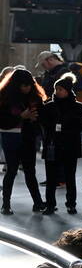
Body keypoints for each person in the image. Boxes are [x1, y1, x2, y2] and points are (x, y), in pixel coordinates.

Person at [0, 68, 47, 215]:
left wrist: (35, 119)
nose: (27, 88)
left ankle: (38, 202)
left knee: (30, 171)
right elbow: (3, 122)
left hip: (28, 137)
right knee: (12, 170)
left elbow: (41, 117)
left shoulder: (35, 98)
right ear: (16, 84)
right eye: (23, 85)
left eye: (29, 84)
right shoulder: (5, 98)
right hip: (10, 136)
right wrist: (22, 116)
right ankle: (5, 204)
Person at [40, 74, 82, 215]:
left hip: (70, 145)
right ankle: (50, 204)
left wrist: (65, 127)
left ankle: (71, 204)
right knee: (51, 177)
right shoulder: (49, 106)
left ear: (68, 90)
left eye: (61, 89)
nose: (58, 92)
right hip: (52, 144)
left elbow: (80, 125)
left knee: (70, 177)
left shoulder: (77, 107)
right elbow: (44, 123)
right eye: (56, 89)